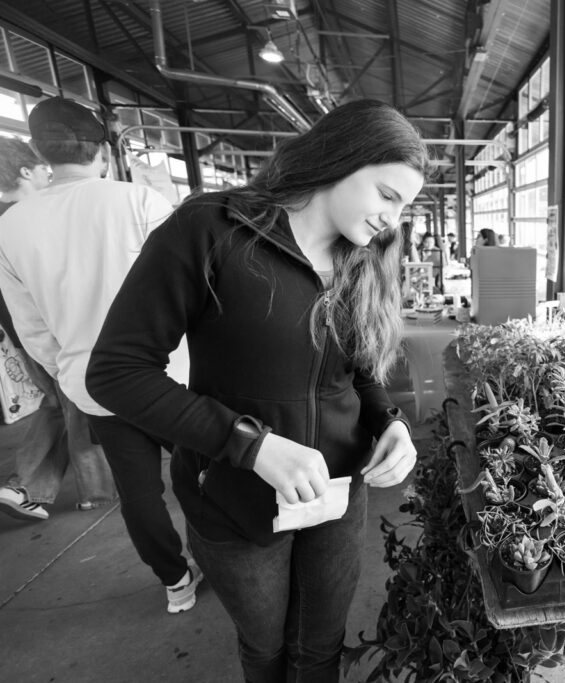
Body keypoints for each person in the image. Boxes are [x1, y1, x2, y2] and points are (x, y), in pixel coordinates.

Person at [86, 98, 424, 681]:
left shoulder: (364, 259)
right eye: (387, 195)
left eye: (404, 207)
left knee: (320, 646)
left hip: (336, 494)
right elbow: (117, 371)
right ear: (341, 158)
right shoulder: (212, 228)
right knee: (265, 647)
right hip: (235, 499)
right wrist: (253, 445)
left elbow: (359, 368)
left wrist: (389, 420)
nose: (392, 220)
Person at [0, 98, 197, 612]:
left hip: (94, 384)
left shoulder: (11, 226)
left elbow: (30, 326)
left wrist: (69, 369)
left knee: (139, 493)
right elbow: (187, 290)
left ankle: (176, 582)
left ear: (40, 152)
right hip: (170, 375)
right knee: (203, 473)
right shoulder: (140, 201)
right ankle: (223, 557)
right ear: (103, 151)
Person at [0, 138, 116, 521]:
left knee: (59, 405)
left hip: (24, 336)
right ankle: (92, 492)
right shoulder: (28, 218)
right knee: (78, 404)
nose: (48, 174)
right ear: (26, 171)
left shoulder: (9, 222)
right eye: (42, 168)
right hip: (53, 333)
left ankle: (26, 486)